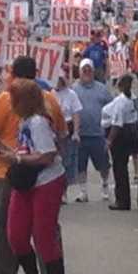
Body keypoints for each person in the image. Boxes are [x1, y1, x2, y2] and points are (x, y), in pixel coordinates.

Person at [0, 55, 65, 274]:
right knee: (15, 233)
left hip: (42, 180)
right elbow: (59, 136)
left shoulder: (36, 119)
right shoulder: (31, 113)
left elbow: (47, 154)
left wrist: (16, 157)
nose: (11, 101)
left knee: (43, 234)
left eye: (14, 98)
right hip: (19, 177)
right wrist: (1, 146)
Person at [71, 59, 112, 203]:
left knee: (103, 165)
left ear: (93, 71)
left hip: (98, 134)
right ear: (80, 72)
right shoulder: (73, 89)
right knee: (80, 165)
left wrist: (108, 133)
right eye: (84, 70)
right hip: (80, 135)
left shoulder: (102, 89)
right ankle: (83, 192)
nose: (87, 72)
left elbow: (111, 108)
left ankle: (105, 186)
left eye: (89, 69)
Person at [104, 74, 138, 211]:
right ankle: (125, 199)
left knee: (119, 169)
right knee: (122, 167)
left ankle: (122, 201)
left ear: (120, 86)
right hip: (132, 131)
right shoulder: (133, 98)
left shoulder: (121, 102)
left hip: (121, 136)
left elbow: (117, 124)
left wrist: (109, 140)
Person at [53, 74, 82, 204]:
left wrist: (76, 132)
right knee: (54, 162)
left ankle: (63, 192)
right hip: (53, 132)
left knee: (66, 162)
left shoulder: (71, 94)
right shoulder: (50, 94)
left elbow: (76, 113)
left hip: (67, 130)